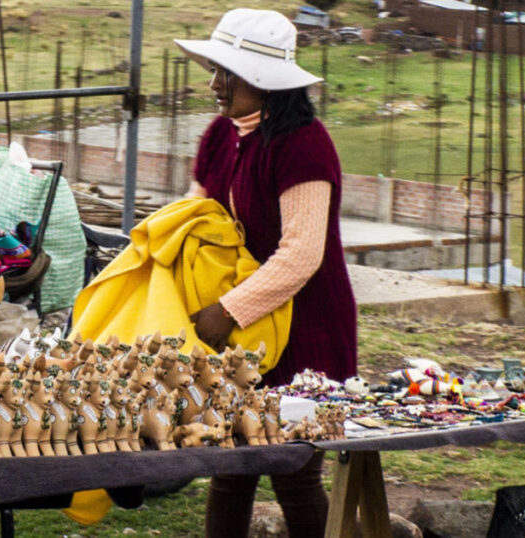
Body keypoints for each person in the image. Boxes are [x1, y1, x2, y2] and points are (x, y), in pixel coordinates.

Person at [175, 8, 358, 537]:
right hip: (244, 330)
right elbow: (197, 217)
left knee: (293, 470)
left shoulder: (303, 144)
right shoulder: (220, 135)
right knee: (231, 468)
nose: (214, 85)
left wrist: (226, 312)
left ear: (261, 81)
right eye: (214, 71)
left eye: (224, 75)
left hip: (304, 326)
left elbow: (302, 254)